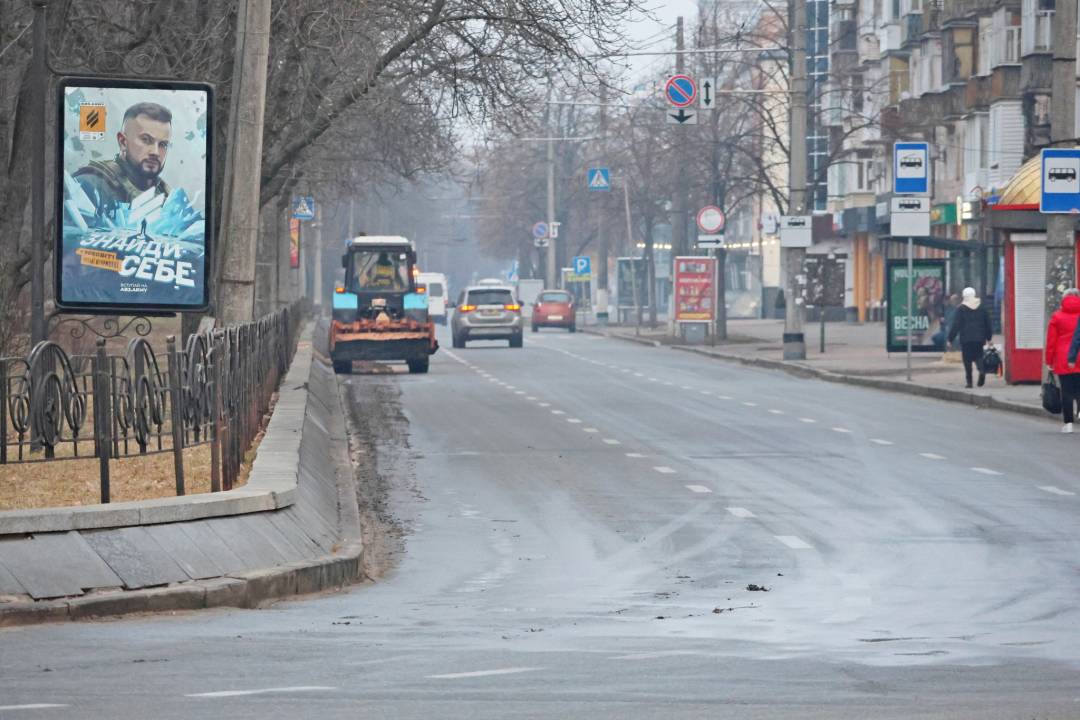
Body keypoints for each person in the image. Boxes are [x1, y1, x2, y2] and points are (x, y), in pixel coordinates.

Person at [74, 102, 172, 215]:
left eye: (163, 144)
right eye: (146, 140)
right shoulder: (88, 186)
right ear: (123, 142)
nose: (155, 152)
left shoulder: (169, 198)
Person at [1046, 288, 1080, 433]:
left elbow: (1051, 341)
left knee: (1066, 391)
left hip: (1062, 357)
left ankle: (1068, 424)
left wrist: (1049, 361)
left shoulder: (1057, 316)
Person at [948, 287, 993, 388]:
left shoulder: (961, 309)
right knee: (979, 356)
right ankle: (982, 371)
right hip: (979, 338)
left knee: (967, 360)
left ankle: (969, 382)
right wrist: (989, 338)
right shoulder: (982, 308)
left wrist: (950, 339)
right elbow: (987, 324)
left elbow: (956, 325)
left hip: (966, 339)